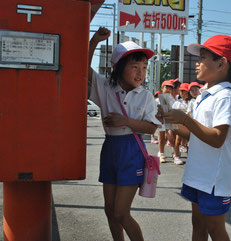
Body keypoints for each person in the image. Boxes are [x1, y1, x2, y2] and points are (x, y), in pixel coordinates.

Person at [158, 35, 231, 241]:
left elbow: (217, 138)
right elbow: (194, 135)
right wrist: (171, 121)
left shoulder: (225, 97)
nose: (197, 63)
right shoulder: (205, 96)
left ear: (221, 63)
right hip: (199, 173)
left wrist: (185, 120)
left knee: (215, 229)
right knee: (198, 224)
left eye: (203, 57)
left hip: (214, 178)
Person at [88, 27, 161, 241]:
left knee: (121, 212)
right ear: (118, 67)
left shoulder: (146, 95)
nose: (141, 72)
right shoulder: (104, 87)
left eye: (145, 67)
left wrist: (125, 122)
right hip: (110, 149)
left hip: (132, 151)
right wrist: (94, 41)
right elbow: (82, 67)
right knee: (109, 211)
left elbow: (151, 127)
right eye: (134, 66)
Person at [172, 82, 191, 165]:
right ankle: (176, 156)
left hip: (189, 123)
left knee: (190, 140)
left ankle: (191, 156)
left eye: (185, 91)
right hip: (180, 123)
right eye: (181, 91)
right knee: (178, 140)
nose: (183, 93)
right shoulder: (177, 102)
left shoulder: (192, 101)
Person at [157, 80, 176, 163]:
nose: (168, 89)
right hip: (161, 121)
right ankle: (161, 154)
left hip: (169, 121)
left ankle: (174, 152)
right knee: (161, 138)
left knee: (171, 137)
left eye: (170, 88)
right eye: (166, 87)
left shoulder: (172, 99)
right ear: (162, 88)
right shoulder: (158, 99)